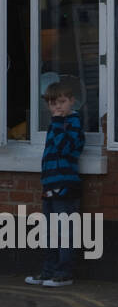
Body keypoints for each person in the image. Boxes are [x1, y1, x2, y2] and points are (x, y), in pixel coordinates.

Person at [25, 78, 85, 288]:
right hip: (51, 186)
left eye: (61, 101)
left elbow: (66, 148)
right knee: (49, 231)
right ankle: (48, 271)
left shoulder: (73, 123)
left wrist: (58, 122)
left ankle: (63, 273)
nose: (57, 107)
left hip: (66, 186)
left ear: (72, 101)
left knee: (64, 231)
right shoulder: (56, 124)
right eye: (52, 103)